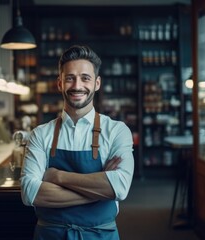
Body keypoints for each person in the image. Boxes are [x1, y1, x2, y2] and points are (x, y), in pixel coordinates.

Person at [20, 45, 134, 239]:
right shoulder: (40, 134)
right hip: (51, 234)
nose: (77, 85)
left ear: (97, 83)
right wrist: (101, 188)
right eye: (70, 78)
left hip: (100, 235)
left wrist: (57, 177)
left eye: (85, 78)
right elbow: (31, 194)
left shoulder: (117, 131)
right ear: (59, 83)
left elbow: (120, 188)